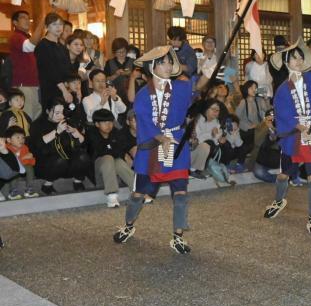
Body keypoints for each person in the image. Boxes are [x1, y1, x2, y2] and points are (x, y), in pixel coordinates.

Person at [112, 46, 193, 254]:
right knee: (139, 193)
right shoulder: (142, 95)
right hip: (151, 148)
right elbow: (145, 121)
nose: (168, 66)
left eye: (169, 62)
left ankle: (178, 236)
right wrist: (160, 137)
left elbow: (193, 99)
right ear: (152, 67)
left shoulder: (181, 88)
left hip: (176, 144)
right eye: (163, 62)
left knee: (181, 193)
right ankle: (129, 225)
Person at [263, 38, 311, 235]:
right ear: (286, 63)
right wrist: (296, 125)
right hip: (293, 135)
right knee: (285, 174)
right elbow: (281, 113)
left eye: (300, 57)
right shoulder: (283, 89)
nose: (298, 61)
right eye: (294, 58)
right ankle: (278, 200)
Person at [29, 98, 92, 195]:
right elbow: (37, 145)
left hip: (68, 164)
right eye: (57, 112)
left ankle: (78, 181)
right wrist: (57, 131)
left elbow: (83, 144)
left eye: (62, 112)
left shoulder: (67, 122)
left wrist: (77, 133)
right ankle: (47, 185)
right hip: (47, 165)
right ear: (47, 111)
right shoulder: (37, 125)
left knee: (83, 156)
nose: (60, 116)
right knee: (59, 160)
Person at [86, 109, 135, 208]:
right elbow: (99, 151)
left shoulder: (115, 132)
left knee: (119, 162)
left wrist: (117, 152)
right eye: (104, 122)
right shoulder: (91, 133)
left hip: (113, 168)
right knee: (109, 158)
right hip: (97, 172)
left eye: (110, 122)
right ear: (96, 124)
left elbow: (120, 150)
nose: (108, 125)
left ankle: (137, 190)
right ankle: (112, 195)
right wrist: (115, 151)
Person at [34, 13, 75, 109]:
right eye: (54, 24)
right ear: (47, 27)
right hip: (50, 89)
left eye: (60, 24)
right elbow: (50, 71)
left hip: (65, 88)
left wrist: (71, 87)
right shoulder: (42, 46)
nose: (58, 27)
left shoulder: (62, 47)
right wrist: (64, 90)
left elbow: (68, 69)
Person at [9, 10, 44, 119]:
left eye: (28, 18)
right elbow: (29, 46)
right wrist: (43, 21)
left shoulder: (26, 36)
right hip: (23, 84)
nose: (27, 20)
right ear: (15, 22)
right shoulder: (16, 36)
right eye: (23, 17)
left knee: (35, 116)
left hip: (32, 84)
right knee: (27, 118)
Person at [190, 98, 223, 178]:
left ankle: (199, 168)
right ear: (206, 109)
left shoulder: (216, 121)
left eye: (217, 110)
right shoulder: (199, 119)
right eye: (213, 109)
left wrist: (218, 137)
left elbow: (216, 141)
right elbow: (197, 140)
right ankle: (192, 169)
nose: (215, 112)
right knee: (206, 145)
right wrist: (211, 134)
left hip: (204, 149)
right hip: (192, 150)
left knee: (213, 144)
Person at [4, 125, 38, 200]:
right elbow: (10, 163)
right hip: (9, 170)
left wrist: (30, 158)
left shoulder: (24, 148)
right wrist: (23, 158)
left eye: (23, 137)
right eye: (18, 137)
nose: (21, 140)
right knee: (15, 170)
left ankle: (29, 189)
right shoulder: (6, 149)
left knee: (30, 168)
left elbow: (31, 162)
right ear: (9, 140)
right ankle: (13, 191)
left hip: (22, 168)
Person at [236, 80, 271, 148]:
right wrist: (248, 126)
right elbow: (236, 118)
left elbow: (267, 110)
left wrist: (266, 98)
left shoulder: (259, 100)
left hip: (259, 127)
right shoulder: (243, 102)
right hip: (248, 130)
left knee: (270, 122)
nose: (254, 89)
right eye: (251, 88)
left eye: (255, 88)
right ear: (246, 89)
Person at [104, 38, 133, 103]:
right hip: (114, 95)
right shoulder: (109, 63)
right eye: (119, 52)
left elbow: (139, 77)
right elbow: (106, 81)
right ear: (114, 52)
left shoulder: (132, 61)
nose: (121, 54)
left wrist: (131, 74)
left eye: (124, 51)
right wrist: (115, 75)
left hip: (130, 94)